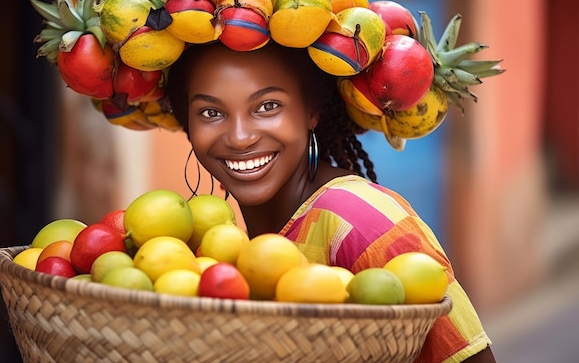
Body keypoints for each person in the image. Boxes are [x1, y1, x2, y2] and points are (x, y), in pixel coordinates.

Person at [165, 40, 496, 363]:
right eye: (210, 112)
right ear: (188, 125)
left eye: (268, 106)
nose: (240, 137)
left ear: (311, 112)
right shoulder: (214, 246)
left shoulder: (358, 220)